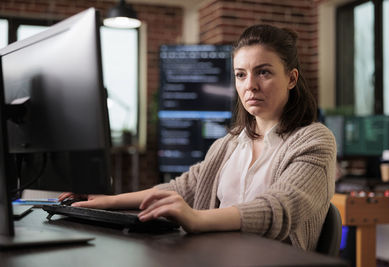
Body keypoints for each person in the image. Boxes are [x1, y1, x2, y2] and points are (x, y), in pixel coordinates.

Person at [59, 24, 336, 251]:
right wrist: (107, 201)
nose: (250, 85)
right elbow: (183, 189)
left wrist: (196, 218)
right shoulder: (228, 144)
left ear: (291, 78)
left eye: (263, 72)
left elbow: (278, 208)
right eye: (241, 75)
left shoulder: (314, 141)